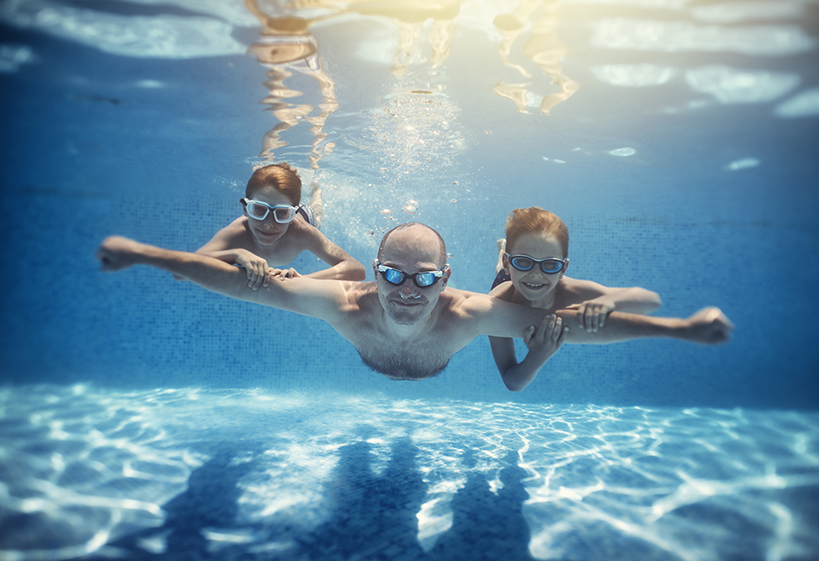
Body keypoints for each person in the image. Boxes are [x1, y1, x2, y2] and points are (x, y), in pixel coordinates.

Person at [96, 223, 733, 381]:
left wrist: (680, 329)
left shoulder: (473, 313)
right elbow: (250, 284)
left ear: (447, 278)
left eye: (425, 279)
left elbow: (570, 326)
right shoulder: (343, 303)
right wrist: (146, 254)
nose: (407, 290)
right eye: (392, 275)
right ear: (371, 273)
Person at [489, 207, 662, 391]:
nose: (536, 274)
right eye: (524, 261)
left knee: (513, 271)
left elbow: (651, 300)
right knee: (500, 271)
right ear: (511, 263)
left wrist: (610, 301)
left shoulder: (573, 292)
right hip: (507, 280)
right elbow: (512, 382)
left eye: (550, 264)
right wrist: (537, 357)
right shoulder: (496, 305)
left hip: (516, 275)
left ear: (563, 269)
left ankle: (511, 255)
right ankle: (502, 253)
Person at [195, 163, 366, 286]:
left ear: (292, 214)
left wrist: (304, 280)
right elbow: (188, 266)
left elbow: (356, 269)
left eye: (282, 213)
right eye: (259, 210)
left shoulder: (302, 232)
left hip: (305, 216)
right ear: (246, 209)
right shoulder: (238, 232)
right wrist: (235, 254)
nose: (269, 223)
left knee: (317, 214)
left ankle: (317, 192)